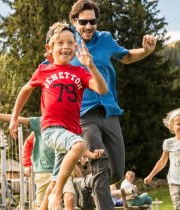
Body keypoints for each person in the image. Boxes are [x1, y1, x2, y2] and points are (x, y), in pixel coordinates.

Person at [60, 1, 157, 209]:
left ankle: (85, 184)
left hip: (109, 111)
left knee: (117, 172)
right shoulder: (68, 42)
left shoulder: (105, 39)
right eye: (83, 21)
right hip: (83, 115)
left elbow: (127, 57)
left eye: (92, 21)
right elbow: (53, 66)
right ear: (74, 21)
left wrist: (146, 50)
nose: (88, 26)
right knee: (100, 163)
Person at [8, 21, 108, 210]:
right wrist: (14, 117)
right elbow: (25, 90)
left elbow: (102, 89)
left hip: (71, 131)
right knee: (79, 145)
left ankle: (46, 202)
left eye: (71, 43)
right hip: (52, 129)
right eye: (60, 43)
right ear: (49, 48)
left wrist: (91, 66)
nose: (66, 47)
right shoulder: (44, 70)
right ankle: (56, 193)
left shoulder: (80, 71)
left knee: (55, 179)